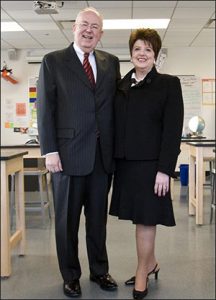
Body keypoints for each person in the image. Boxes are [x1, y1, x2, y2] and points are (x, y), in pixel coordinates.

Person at [36, 7, 121, 298]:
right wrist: (50, 151)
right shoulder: (53, 62)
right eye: (84, 25)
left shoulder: (111, 63)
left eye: (95, 27)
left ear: (101, 34)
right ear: (73, 27)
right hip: (67, 156)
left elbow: (115, 109)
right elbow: (45, 109)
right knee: (67, 222)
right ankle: (70, 275)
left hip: (101, 157)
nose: (89, 31)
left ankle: (100, 271)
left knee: (98, 221)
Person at [109, 28, 184, 299]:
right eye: (138, 49)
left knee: (146, 220)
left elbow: (172, 130)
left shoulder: (168, 84)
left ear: (156, 55)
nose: (142, 54)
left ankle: (142, 271)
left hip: (153, 167)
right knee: (140, 219)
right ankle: (151, 263)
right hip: (127, 166)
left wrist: (165, 169)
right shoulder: (120, 86)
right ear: (131, 54)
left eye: (148, 50)